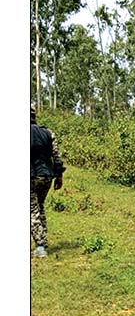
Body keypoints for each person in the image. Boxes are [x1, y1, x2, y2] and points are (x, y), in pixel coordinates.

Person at [30, 107, 66, 258]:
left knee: (32, 210)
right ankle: (42, 243)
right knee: (40, 207)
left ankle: (40, 247)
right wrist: (59, 175)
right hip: (46, 177)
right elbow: (56, 156)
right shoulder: (48, 132)